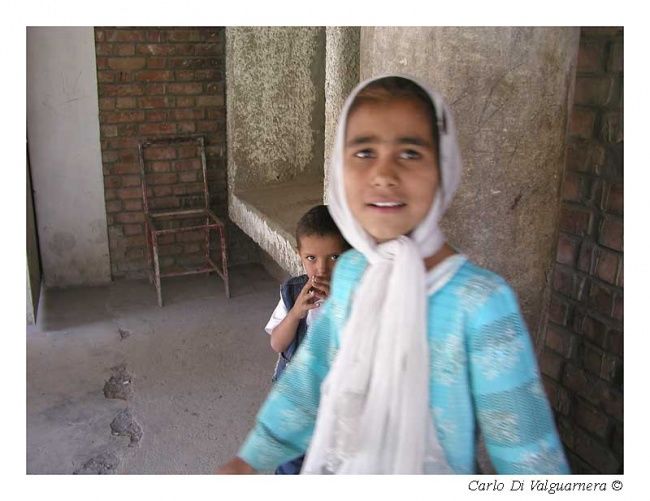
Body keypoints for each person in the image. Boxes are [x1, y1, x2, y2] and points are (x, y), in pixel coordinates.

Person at [217, 75, 570, 474]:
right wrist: (254, 457)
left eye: (411, 152)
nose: (384, 174)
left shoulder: (480, 304)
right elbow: (310, 377)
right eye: (364, 152)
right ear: (339, 170)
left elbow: (529, 457)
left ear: (444, 169)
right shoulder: (349, 273)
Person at [263, 204, 350, 474]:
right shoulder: (293, 293)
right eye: (311, 258)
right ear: (298, 254)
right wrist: (296, 314)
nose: (321, 268)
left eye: (334, 257)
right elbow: (277, 344)